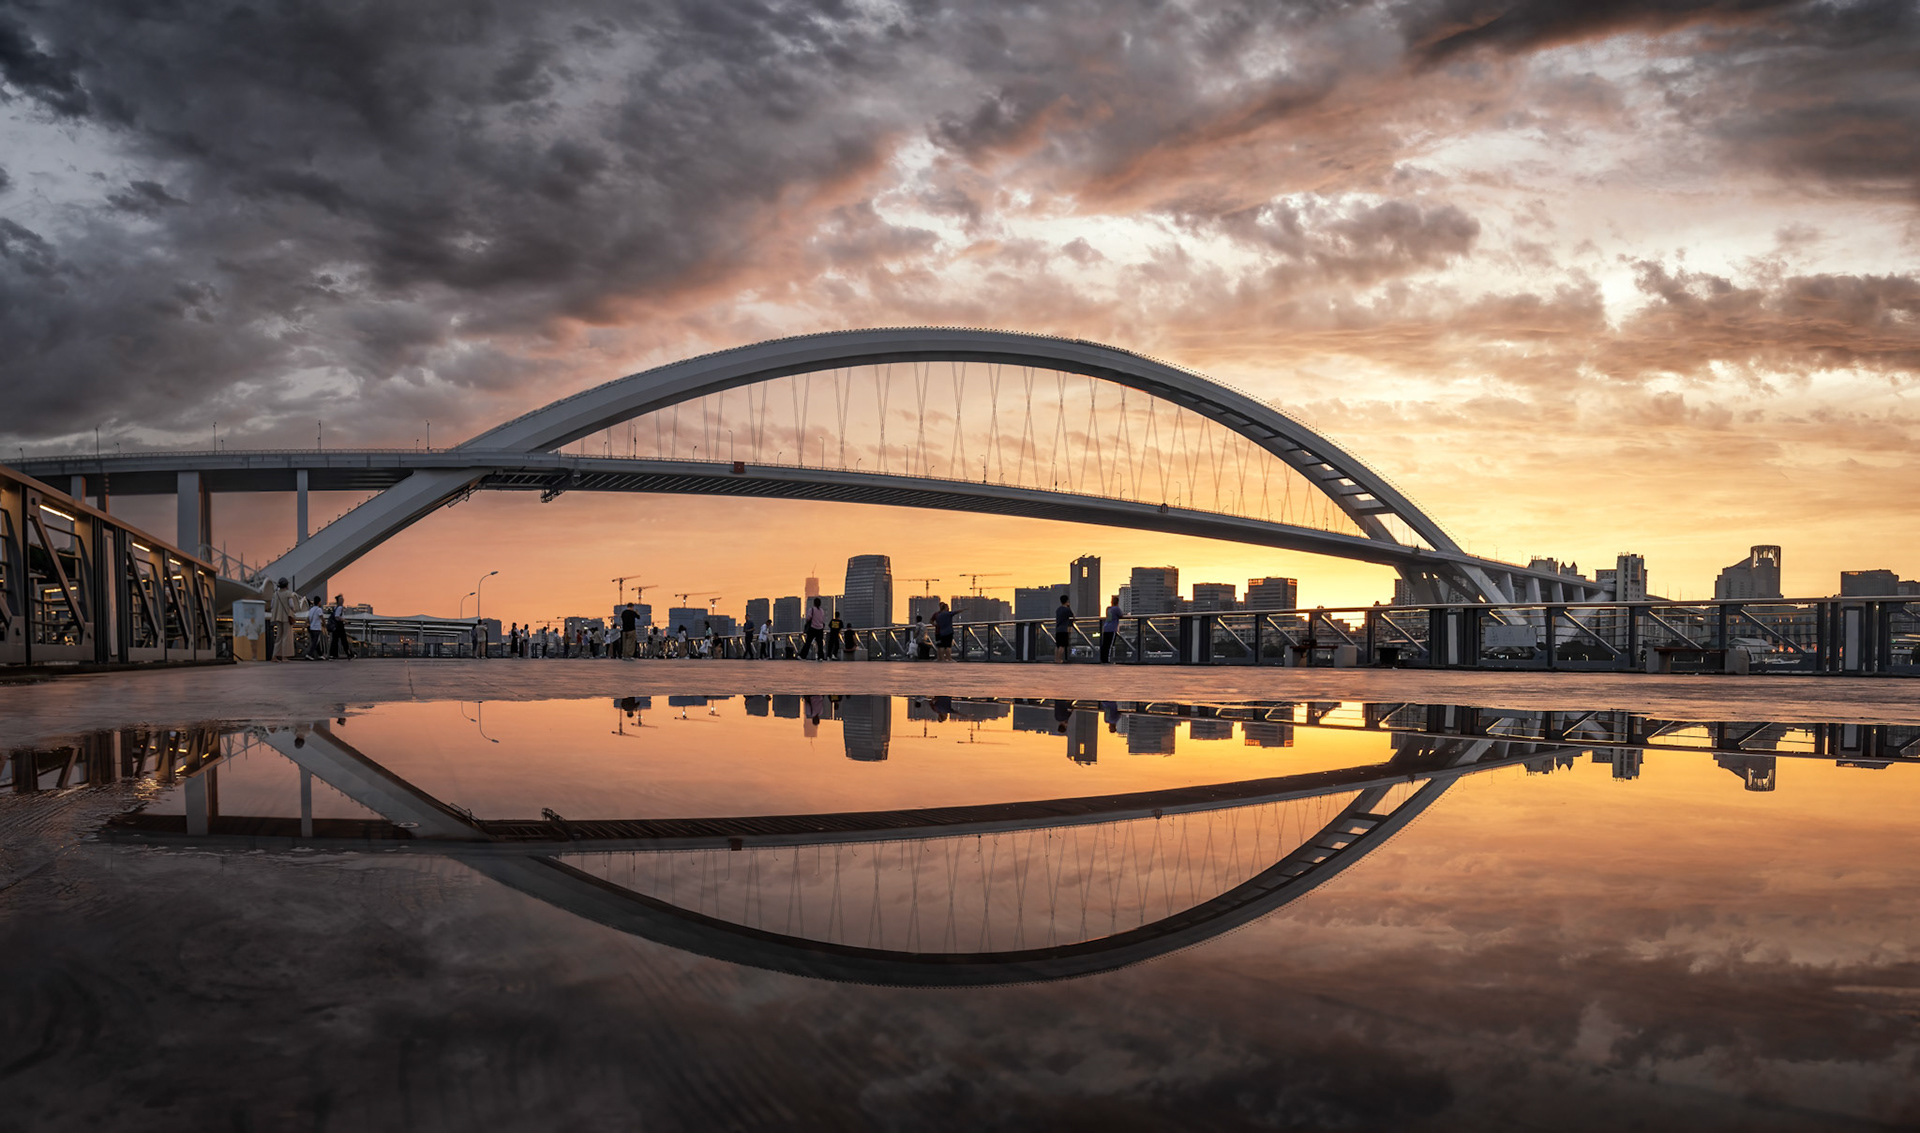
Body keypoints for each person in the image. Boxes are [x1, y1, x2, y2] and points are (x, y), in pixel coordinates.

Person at [265, 577, 296, 661]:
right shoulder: (288, 594)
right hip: (286, 617)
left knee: (278, 637)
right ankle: (284, 656)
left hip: (278, 617)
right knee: (286, 637)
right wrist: (294, 611)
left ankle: (274, 656)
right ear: (286, 585)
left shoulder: (275, 594)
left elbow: (272, 606)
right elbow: (291, 605)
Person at [327, 595, 354, 660]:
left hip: (336, 626)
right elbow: (337, 616)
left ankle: (333, 655)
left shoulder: (336, 607)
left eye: (342, 599)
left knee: (335, 640)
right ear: (338, 601)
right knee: (344, 641)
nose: (342, 600)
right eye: (341, 599)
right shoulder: (340, 608)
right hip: (339, 626)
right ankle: (349, 654)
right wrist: (345, 621)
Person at [1101, 594, 1122, 663]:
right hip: (1112, 628)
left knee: (1105, 644)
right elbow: (1121, 615)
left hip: (1106, 627)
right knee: (1110, 645)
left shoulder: (1108, 609)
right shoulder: (1117, 609)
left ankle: (1103, 659)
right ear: (1117, 602)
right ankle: (1107, 660)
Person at [1054, 594, 1075, 663]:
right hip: (1064, 629)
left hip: (1058, 629)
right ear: (1067, 601)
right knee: (1062, 646)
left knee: (1057, 645)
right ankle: (1060, 659)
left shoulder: (1058, 609)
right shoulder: (1067, 610)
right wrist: (1069, 607)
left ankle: (1056, 659)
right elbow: (1072, 616)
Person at [306, 595, 327, 660]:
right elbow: (322, 618)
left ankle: (320, 655)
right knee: (315, 642)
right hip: (317, 628)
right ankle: (309, 654)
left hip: (311, 628)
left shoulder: (311, 609)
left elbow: (308, 618)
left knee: (316, 642)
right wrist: (324, 624)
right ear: (319, 602)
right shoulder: (319, 609)